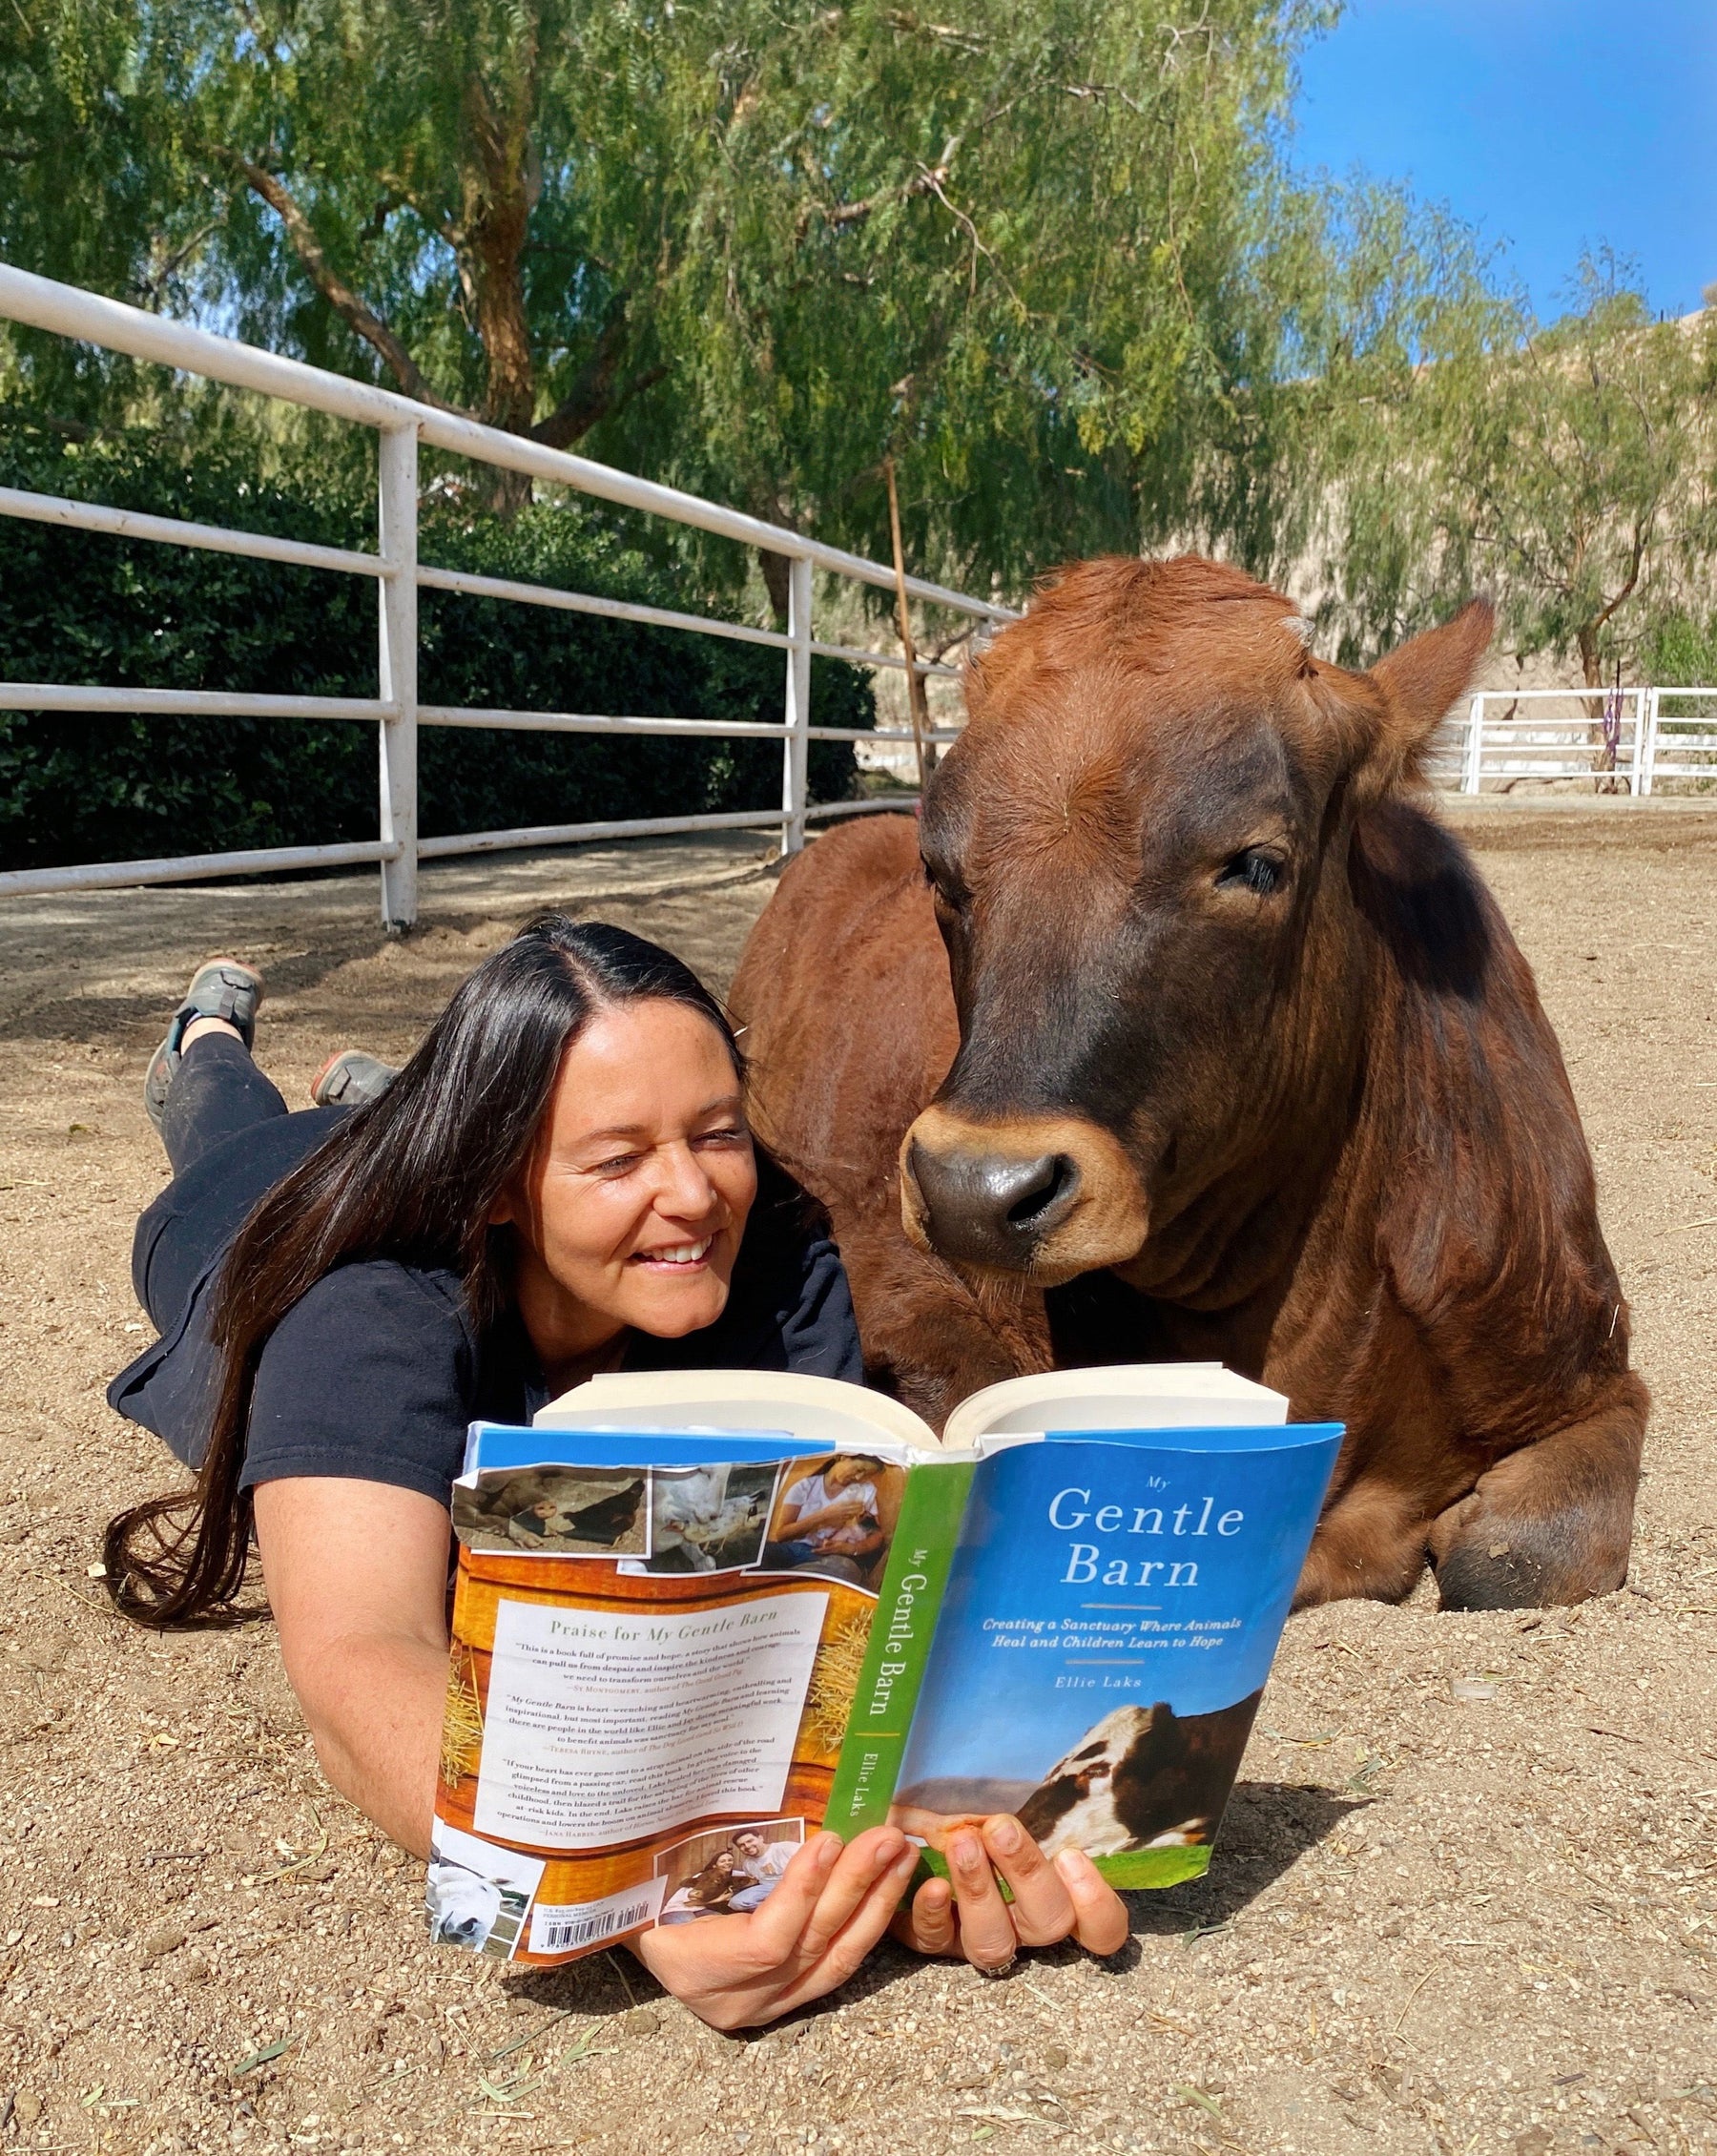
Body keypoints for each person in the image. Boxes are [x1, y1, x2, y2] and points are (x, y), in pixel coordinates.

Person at [105, 919, 1127, 2026]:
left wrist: (949, 1837)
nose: (692, 1194)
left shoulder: (771, 1257)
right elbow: (357, 1662)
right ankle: (207, 1041)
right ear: (496, 1183)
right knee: (228, 1126)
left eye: (717, 1132)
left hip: (459, 1157)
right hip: (248, 1216)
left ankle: (398, 1098)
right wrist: (634, 1904)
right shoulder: (368, 1307)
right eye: (619, 1157)